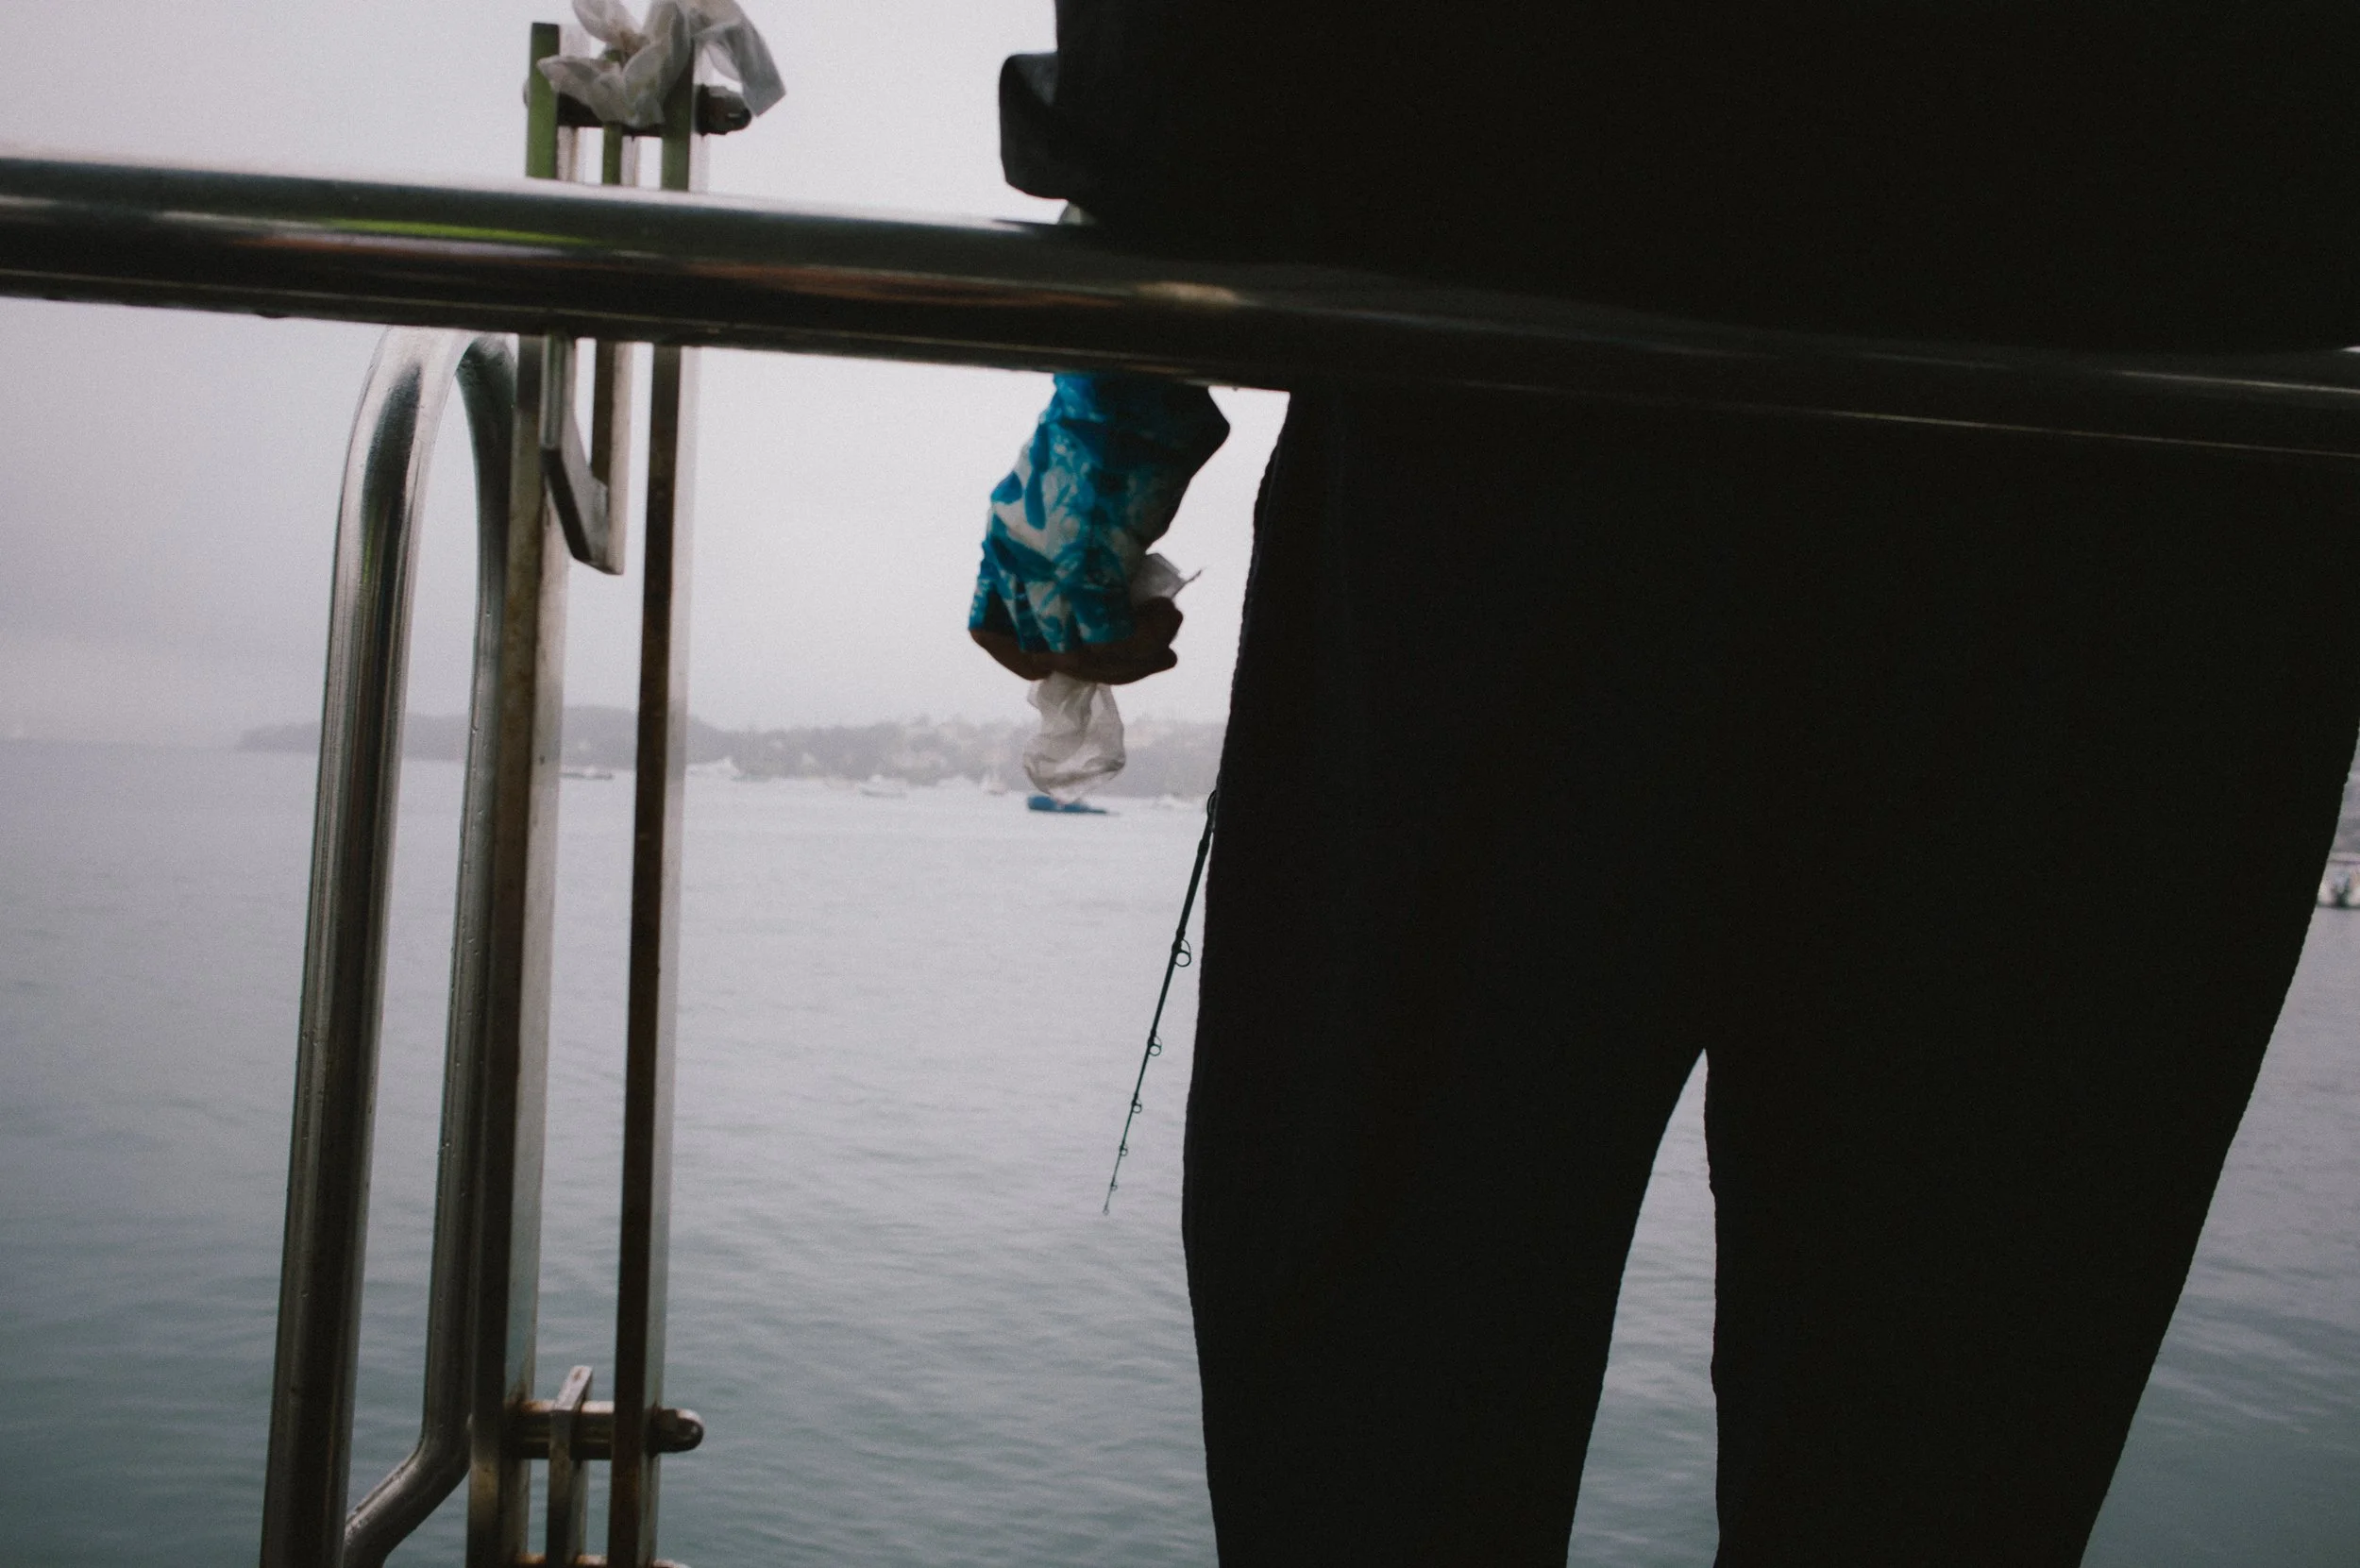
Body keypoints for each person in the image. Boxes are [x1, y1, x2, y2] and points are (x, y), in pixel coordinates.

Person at [972, 8, 2360, 1563]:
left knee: (1379, 1387)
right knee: (1948, 1430)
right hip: (2176, 450)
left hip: (1527, 378)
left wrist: (1139, 306)